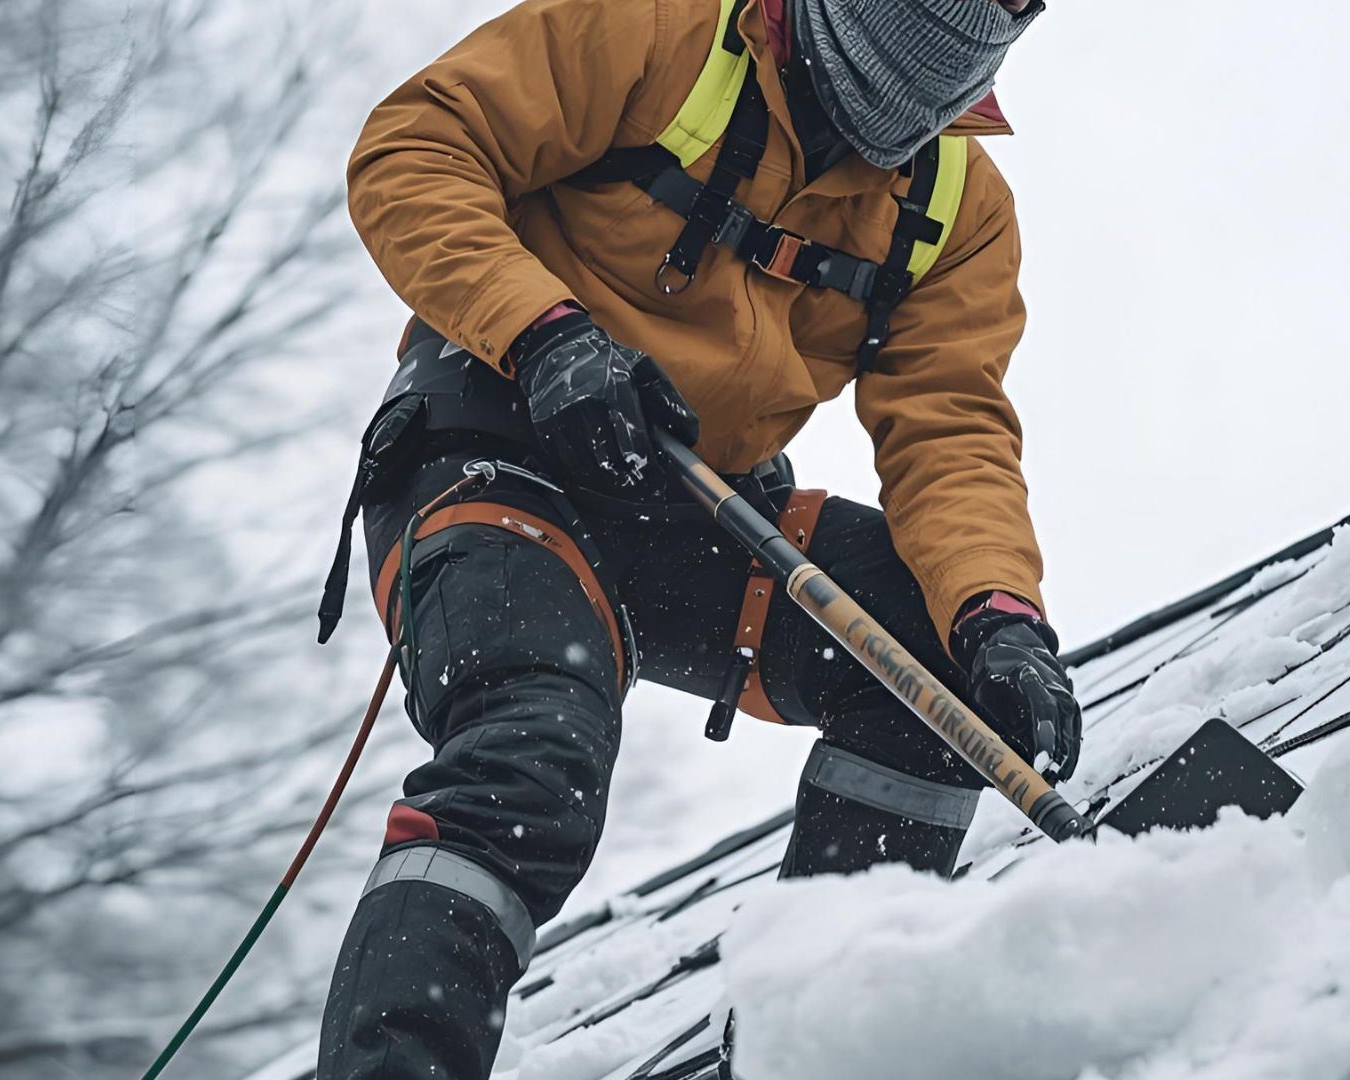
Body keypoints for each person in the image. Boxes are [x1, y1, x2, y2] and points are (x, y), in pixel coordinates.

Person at [317, 0, 1078, 1076]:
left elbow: (950, 429)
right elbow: (415, 148)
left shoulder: (957, 207)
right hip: (498, 458)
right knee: (535, 751)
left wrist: (998, 615)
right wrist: (545, 333)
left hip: (690, 516)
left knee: (934, 675)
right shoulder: (656, 30)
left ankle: (806, 1043)